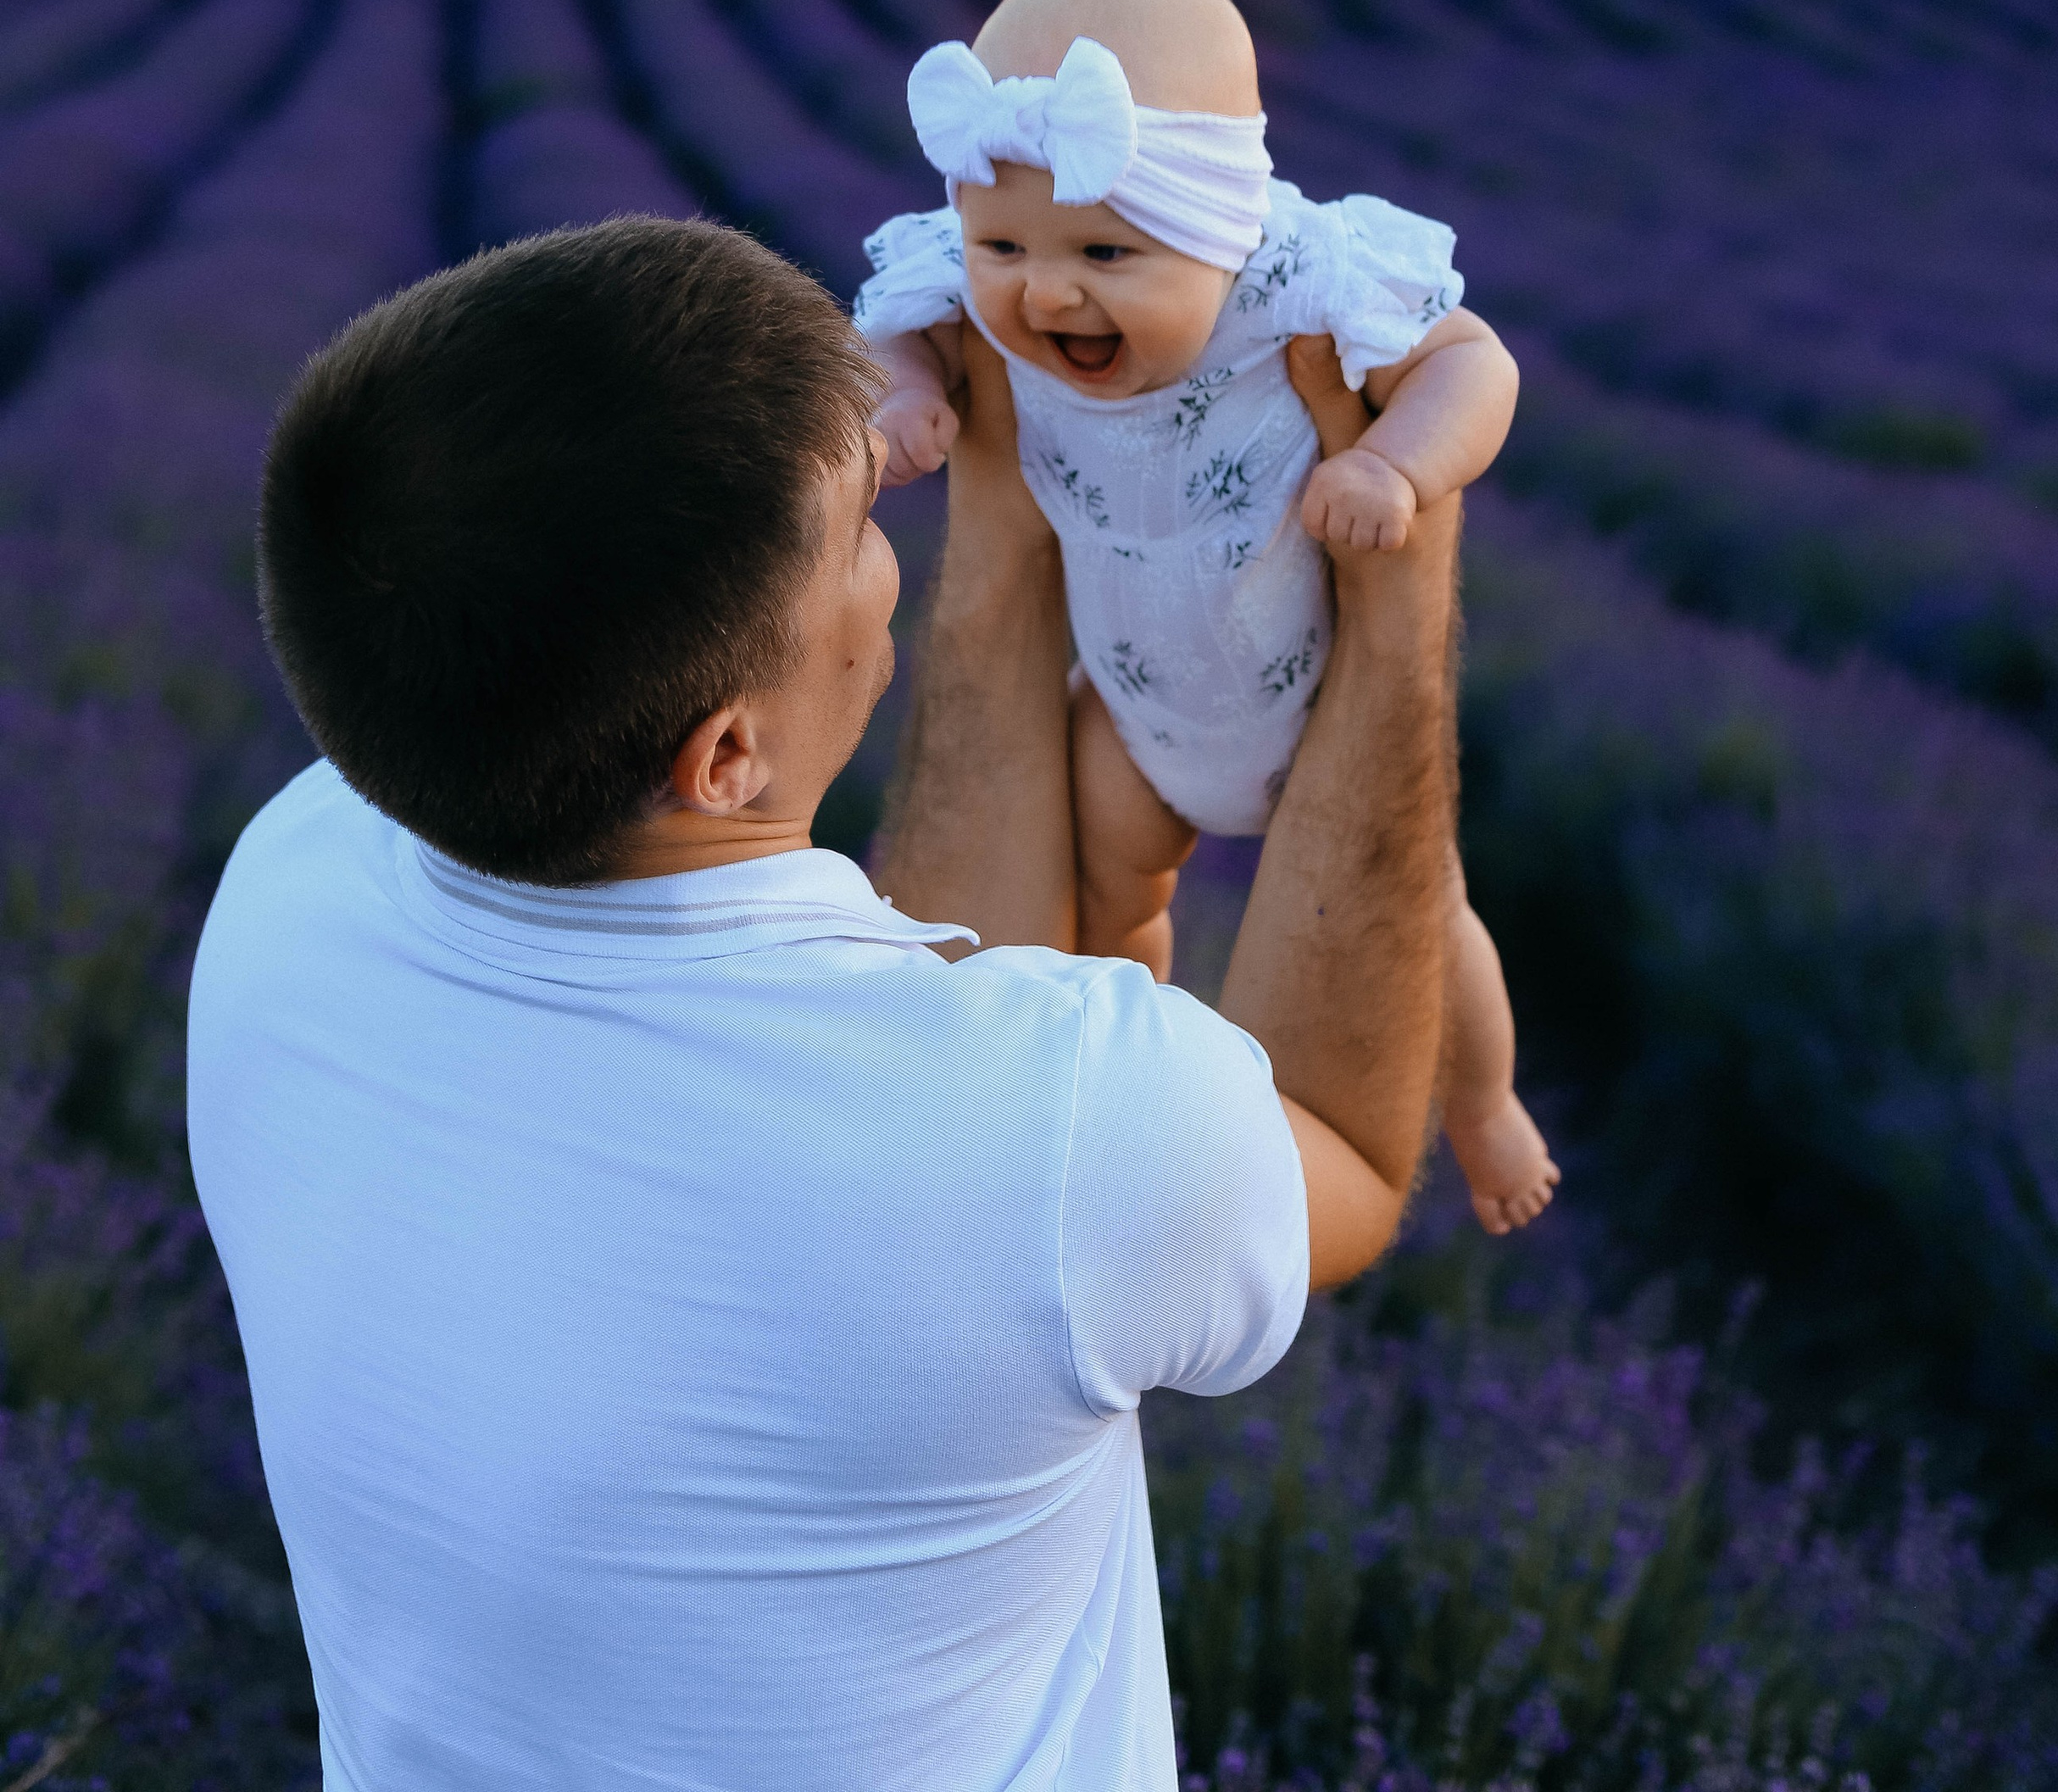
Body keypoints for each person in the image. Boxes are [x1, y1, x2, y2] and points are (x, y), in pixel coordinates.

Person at [187, 214, 1461, 1792]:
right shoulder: (1073, 1143)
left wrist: (1010, 512)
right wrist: (1399, 591)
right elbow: (1335, 1141)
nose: (891, 550)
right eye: (867, 521)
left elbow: (920, 1040)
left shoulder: (293, 880)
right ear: (723, 758)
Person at [858, 0, 1556, 1233]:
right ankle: (1129, 1054)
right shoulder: (985, 291)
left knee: (1424, 923)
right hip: (1134, 712)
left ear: (1223, 224)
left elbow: (1476, 363)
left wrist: (1401, 465)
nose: (1044, 288)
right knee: (1107, 889)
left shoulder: (1303, 281)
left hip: (1313, 739)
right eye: (1001, 242)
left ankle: (1487, 1106)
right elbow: (889, 318)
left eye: (1105, 252)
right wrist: (902, 392)